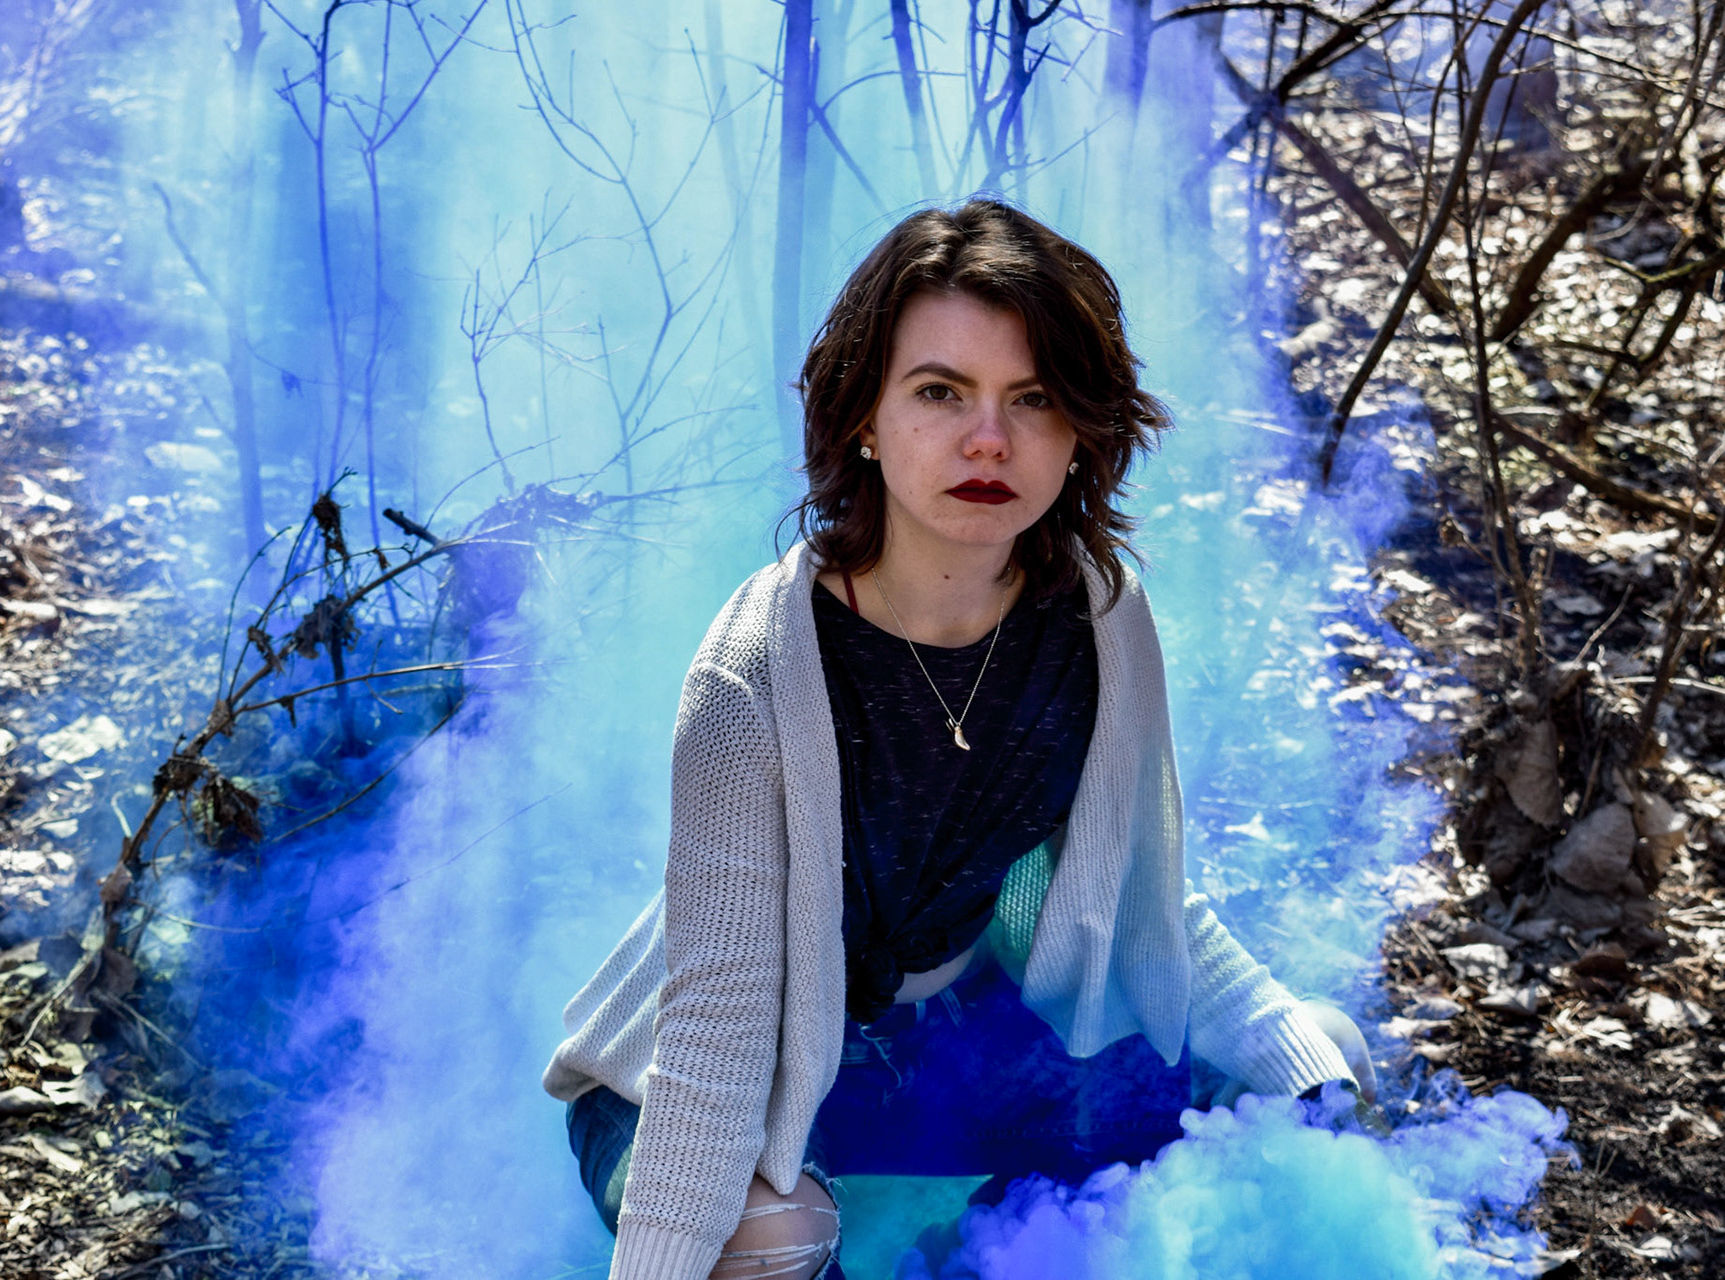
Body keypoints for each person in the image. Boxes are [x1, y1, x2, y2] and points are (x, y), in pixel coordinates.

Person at [543, 199, 1375, 1280]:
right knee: (767, 1238)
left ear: (1080, 432)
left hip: (951, 1055)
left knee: (1314, 1068)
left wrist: (1298, 1070)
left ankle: (966, 1255)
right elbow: (716, 1030)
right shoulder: (754, 669)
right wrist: (665, 1257)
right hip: (722, 1063)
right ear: (863, 416)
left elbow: (1143, 906)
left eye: (1033, 399)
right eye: (940, 392)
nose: (990, 439)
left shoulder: (1101, 623)